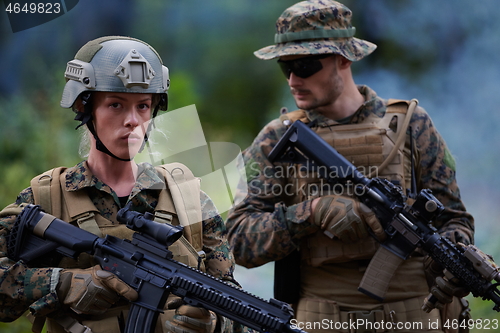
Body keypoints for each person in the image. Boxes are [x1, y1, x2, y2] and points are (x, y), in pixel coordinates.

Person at [226, 1, 474, 332]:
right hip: (323, 320)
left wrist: (458, 260)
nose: (293, 80)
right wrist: (312, 212)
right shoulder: (277, 139)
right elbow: (239, 241)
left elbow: (454, 219)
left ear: (344, 58)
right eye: (285, 67)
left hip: (416, 317)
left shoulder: (410, 125)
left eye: (305, 65)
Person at [0, 36, 243, 333]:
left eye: (143, 106)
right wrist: (63, 283)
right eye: (116, 105)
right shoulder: (47, 198)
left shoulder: (189, 199)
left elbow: (235, 299)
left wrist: (216, 323)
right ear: (84, 108)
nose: (132, 121)